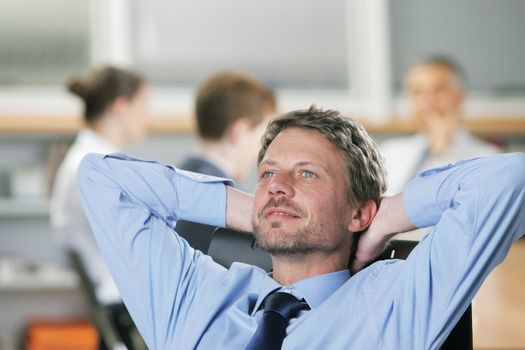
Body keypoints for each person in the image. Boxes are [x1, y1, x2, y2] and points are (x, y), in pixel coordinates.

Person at [77, 106, 525, 349]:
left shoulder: (398, 301)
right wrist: (244, 208)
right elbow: (101, 178)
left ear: (358, 212)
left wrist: (389, 216)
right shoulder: (194, 297)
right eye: (269, 174)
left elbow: (513, 179)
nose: (278, 187)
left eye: (307, 174)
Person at [50, 66, 150, 349]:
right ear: (120, 107)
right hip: (123, 308)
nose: (148, 117)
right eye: (143, 107)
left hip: (118, 303)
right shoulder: (96, 166)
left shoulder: (90, 159)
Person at [175, 71, 276, 253]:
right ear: (241, 131)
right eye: (264, 136)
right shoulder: (225, 202)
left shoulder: (178, 179)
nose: (264, 149)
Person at [382, 56, 503, 195]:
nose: (428, 100)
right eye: (417, 92)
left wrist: (444, 152)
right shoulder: (389, 153)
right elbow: (383, 208)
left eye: (439, 90)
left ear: (460, 97)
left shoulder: (491, 158)